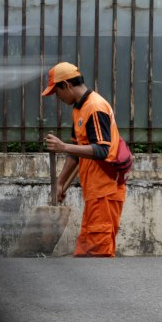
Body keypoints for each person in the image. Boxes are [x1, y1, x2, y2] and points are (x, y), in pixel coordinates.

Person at [41, 62, 126, 257]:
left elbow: (102, 150)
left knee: (98, 254)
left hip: (105, 192)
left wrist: (63, 147)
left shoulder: (95, 107)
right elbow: (77, 151)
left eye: (57, 92)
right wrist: (60, 183)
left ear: (67, 85)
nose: (58, 98)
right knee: (85, 254)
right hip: (94, 193)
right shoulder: (79, 109)